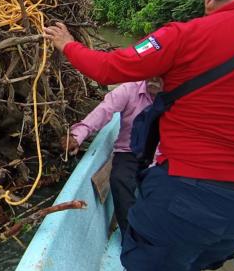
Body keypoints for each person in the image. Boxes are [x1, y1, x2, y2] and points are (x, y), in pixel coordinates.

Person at [43, 0, 234, 271]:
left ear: (210, 1)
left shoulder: (186, 35)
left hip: (191, 192)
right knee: (198, 246)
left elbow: (106, 69)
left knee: (152, 270)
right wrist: (80, 131)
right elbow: (103, 111)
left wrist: (67, 44)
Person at [63, 78, 163, 234]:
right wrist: (77, 136)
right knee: (119, 180)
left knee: (168, 188)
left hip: (164, 154)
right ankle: (131, 236)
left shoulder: (181, 96)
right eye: (152, 72)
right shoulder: (129, 90)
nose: (155, 78)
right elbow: (104, 110)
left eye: (161, 73)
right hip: (129, 151)